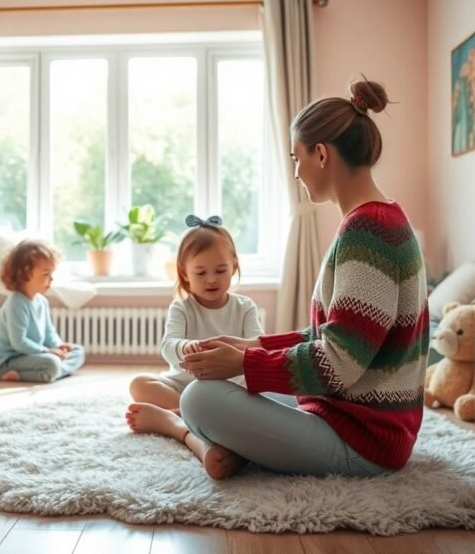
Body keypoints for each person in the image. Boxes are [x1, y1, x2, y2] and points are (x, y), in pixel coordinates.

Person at [127, 77, 429, 480]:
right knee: (238, 385)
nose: (297, 172)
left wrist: (246, 361)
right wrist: (250, 345)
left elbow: (339, 363)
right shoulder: (378, 219)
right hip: (347, 414)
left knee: (200, 399)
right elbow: (334, 336)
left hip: (364, 441)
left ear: (320, 154)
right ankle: (233, 444)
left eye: (295, 158)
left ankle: (182, 430)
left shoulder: (367, 232)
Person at [127, 215, 263, 417]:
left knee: (266, 392)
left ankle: (184, 415)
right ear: (184, 273)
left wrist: (230, 351)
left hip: (230, 388)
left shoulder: (245, 307)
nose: (211, 280)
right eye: (200, 273)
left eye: (220, 270)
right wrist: (184, 347)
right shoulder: (182, 307)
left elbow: (257, 346)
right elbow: (168, 346)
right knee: (139, 384)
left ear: (234, 267)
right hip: (183, 386)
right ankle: (187, 411)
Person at [0, 240, 85, 383]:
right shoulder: (16, 302)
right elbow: (19, 343)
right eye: (46, 274)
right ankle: (49, 371)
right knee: (51, 362)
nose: (51, 279)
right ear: (25, 273)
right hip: (11, 360)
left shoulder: (41, 301)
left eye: (52, 273)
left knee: (78, 351)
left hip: (34, 355)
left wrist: (58, 345)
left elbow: (48, 332)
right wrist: (47, 351)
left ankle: (53, 372)